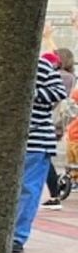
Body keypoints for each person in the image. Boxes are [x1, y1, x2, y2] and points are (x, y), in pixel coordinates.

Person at [15, 46, 66, 252]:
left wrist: (30, 93)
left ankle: (17, 236)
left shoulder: (41, 65)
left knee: (29, 188)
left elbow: (59, 92)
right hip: (14, 141)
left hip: (36, 139)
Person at [43, 47, 75, 208]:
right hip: (56, 124)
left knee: (43, 158)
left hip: (48, 122)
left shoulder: (59, 76)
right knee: (44, 158)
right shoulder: (70, 77)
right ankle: (55, 193)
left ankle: (55, 193)